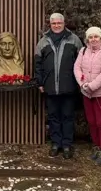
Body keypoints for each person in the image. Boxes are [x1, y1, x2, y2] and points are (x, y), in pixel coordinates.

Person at [34, 13, 83, 159]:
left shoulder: (74, 40)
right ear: (50, 24)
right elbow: (38, 64)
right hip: (49, 87)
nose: (56, 25)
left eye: (59, 23)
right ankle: (56, 143)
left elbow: (82, 63)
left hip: (69, 87)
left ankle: (67, 145)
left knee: (68, 116)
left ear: (64, 23)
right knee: (54, 116)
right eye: (53, 23)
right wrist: (40, 82)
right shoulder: (43, 41)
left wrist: (79, 81)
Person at [73, 27, 101, 165]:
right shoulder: (83, 51)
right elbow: (77, 68)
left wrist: (92, 86)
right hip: (86, 93)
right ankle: (96, 146)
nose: (93, 39)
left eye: (96, 37)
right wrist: (83, 84)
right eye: (90, 37)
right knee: (91, 121)